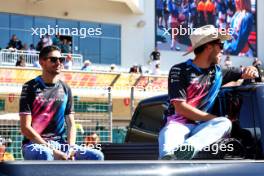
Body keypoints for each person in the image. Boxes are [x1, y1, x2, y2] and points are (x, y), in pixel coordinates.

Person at [159, 25, 258, 160]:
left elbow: (246, 71)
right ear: (208, 47)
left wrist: (252, 69)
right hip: (177, 125)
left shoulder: (219, 72)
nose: (223, 50)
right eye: (221, 45)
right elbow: (180, 108)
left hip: (202, 128)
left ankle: (188, 149)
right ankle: (176, 155)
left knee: (224, 123)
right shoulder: (179, 70)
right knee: (167, 157)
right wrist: (212, 118)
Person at [19, 45, 104, 160]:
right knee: (45, 154)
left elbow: (71, 123)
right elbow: (25, 128)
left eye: (61, 59)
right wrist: (53, 151)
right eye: (53, 59)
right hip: (34, 145)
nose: (58, 62)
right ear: (42, 62)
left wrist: (71, 148)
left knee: (97, 156)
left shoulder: (65, 88)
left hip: (61, 144)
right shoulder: (29, 87)